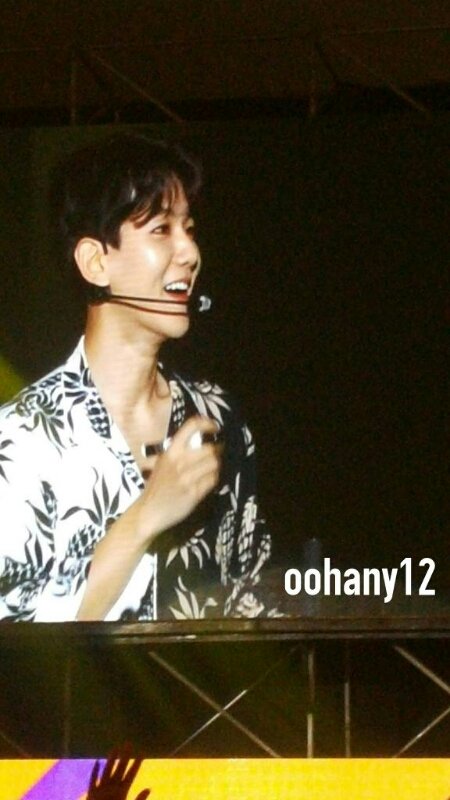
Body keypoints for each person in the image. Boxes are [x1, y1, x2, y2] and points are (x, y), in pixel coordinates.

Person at [0, 134, 275, 622]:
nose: (189, 252)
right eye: (161, 229)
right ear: (96, 262)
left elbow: (249, 598)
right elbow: (19, 646)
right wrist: (148, 514)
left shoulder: (216, 417)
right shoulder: (22, 439)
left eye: (189, 229)